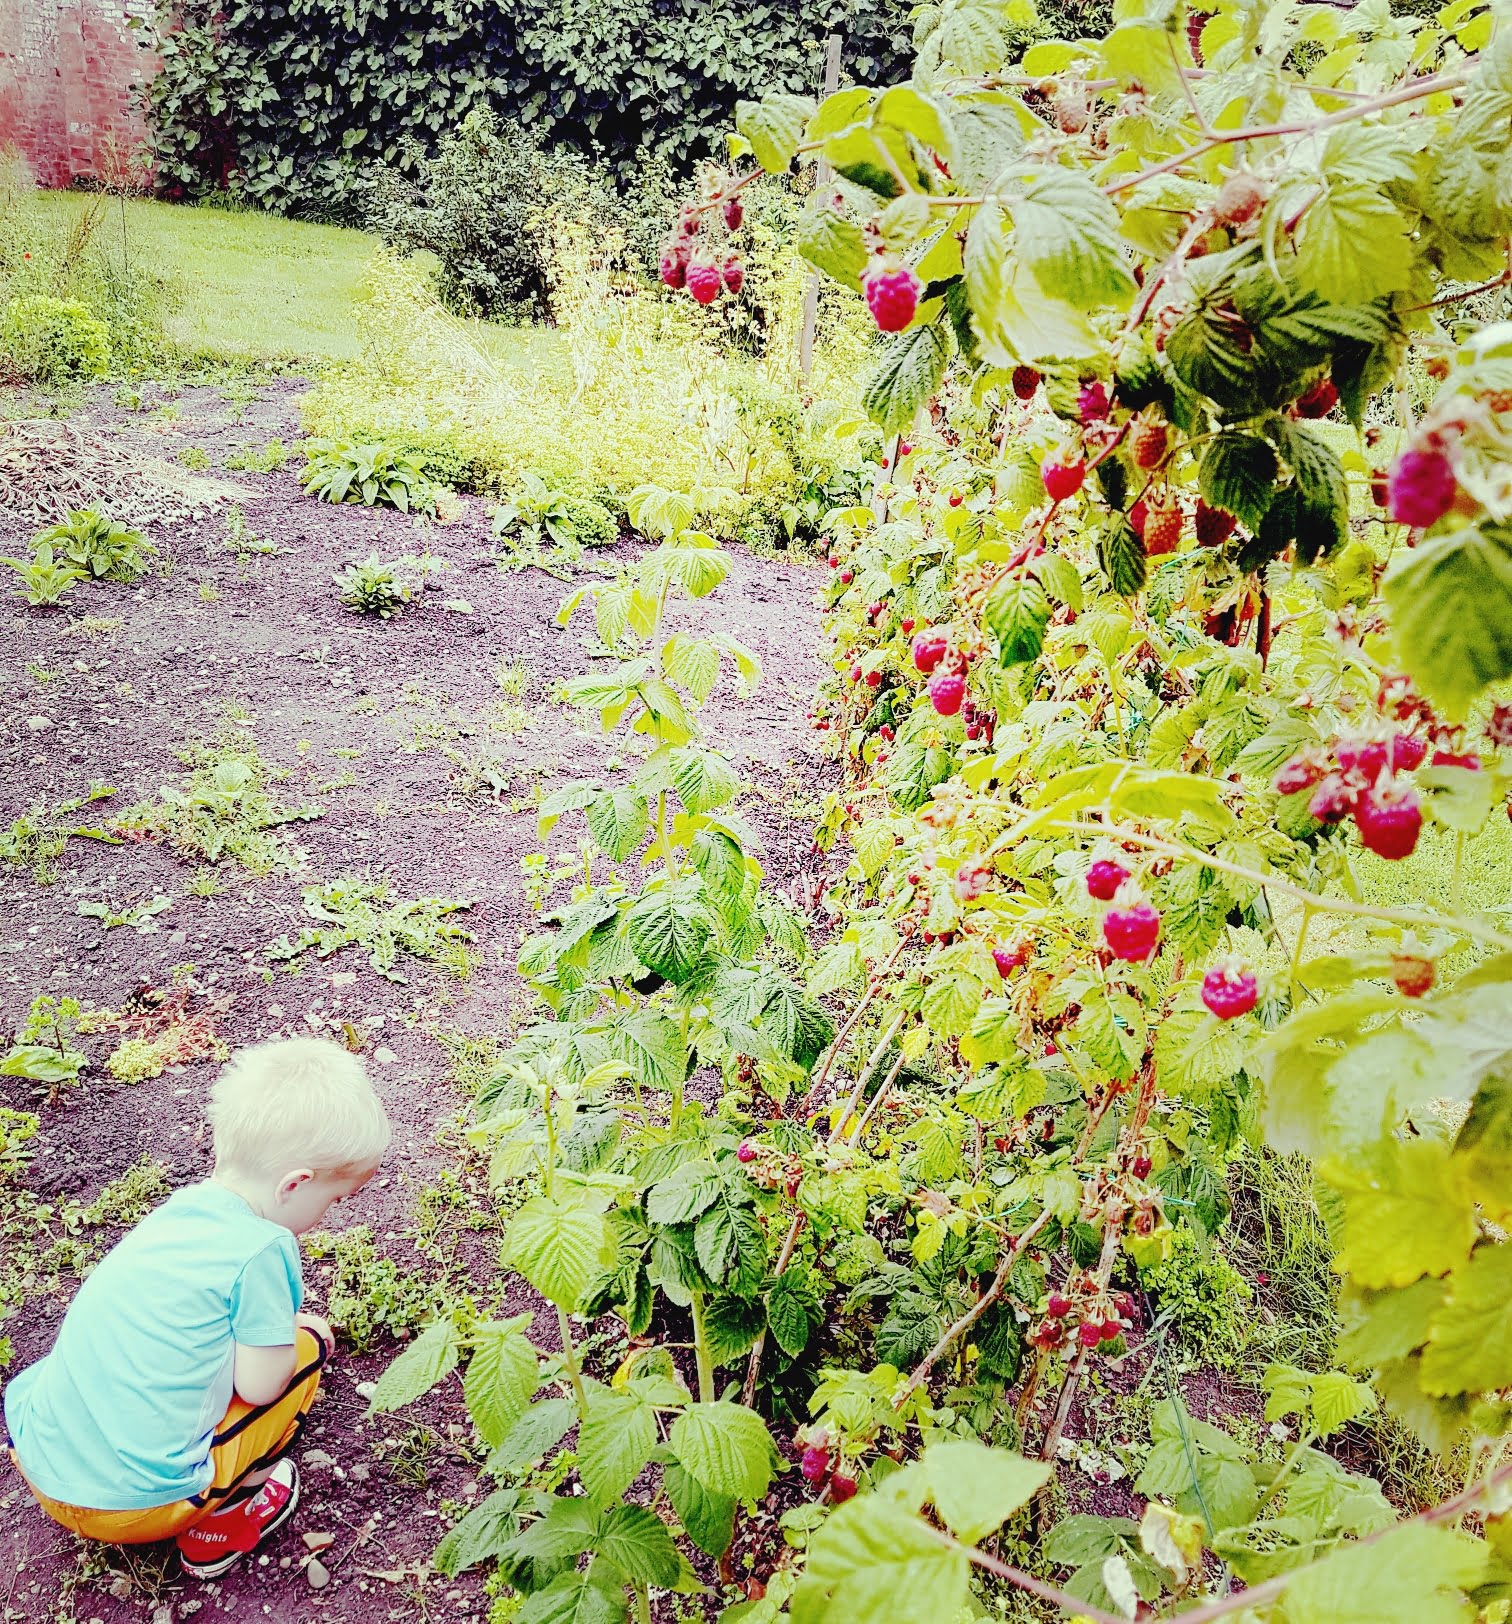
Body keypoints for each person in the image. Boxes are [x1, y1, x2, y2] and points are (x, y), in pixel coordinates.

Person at [3, 1037, 390, 1578]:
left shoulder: (182, 1210)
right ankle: (220, 1527)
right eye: (334, 1199)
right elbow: (259, 1386)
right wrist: (291, 1334)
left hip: (41, 1457)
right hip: (128, 1508)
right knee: (307, 1353)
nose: (330, 1212)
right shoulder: (263, 1247)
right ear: (295, 1184)